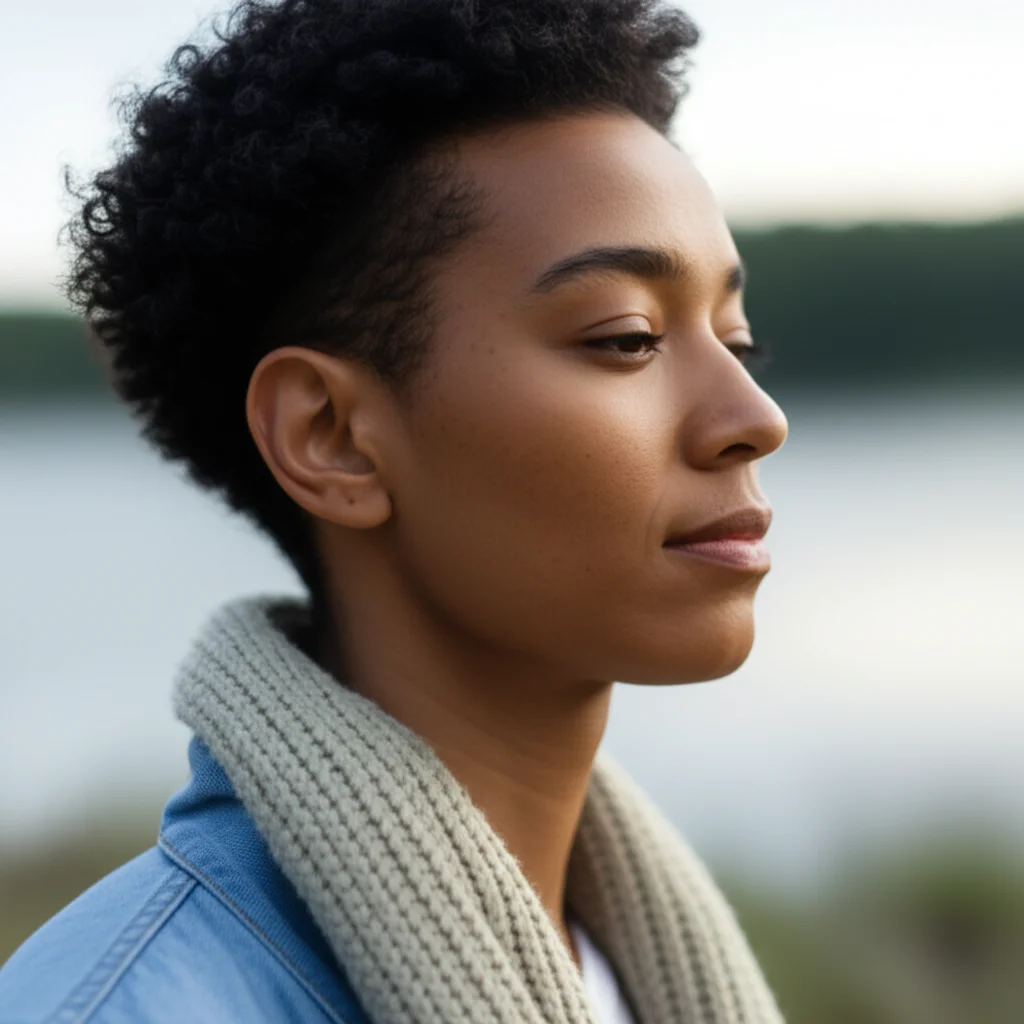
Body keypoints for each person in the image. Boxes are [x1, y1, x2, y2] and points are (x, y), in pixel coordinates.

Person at [0, 0, 790, 1021]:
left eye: (736, 339)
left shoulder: (634, 970)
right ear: (331, 435)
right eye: (626, 337)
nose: (754, 418)